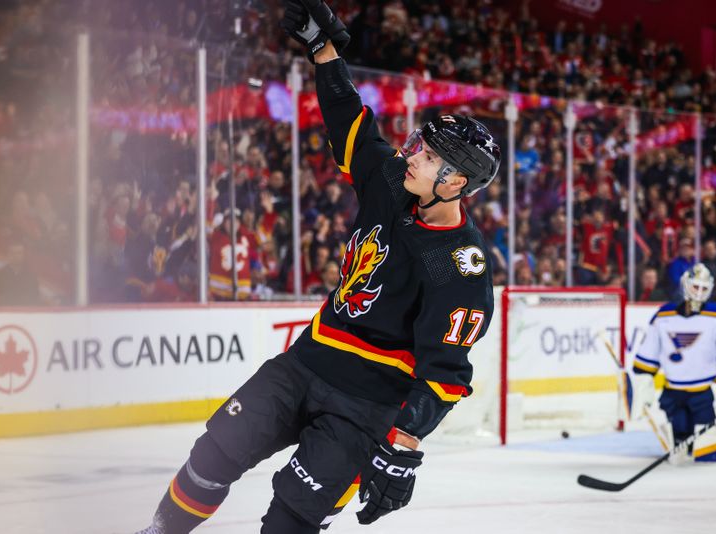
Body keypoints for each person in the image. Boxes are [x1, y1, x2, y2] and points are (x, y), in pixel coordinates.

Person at [134, 1, 499, 532]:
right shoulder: (393, 183)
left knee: (292, 519)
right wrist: (322, 47)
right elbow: (350, 121)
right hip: (306, 363)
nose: (412, 153)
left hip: (367, 406)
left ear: (456, 183)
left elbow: (444, 374)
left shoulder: (459, 268)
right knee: (211, 456)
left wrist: (403, 445)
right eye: (419, 144)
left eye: (428, 154)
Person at [629, 263, 716, 462]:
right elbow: (647, 360)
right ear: (685, 285)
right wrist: (640, 389)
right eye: (695, 287)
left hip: (705, 396)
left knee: (707, 449)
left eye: (704, 289)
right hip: (672, 395)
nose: (698, 293)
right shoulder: (663, 316)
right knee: (677, 437)